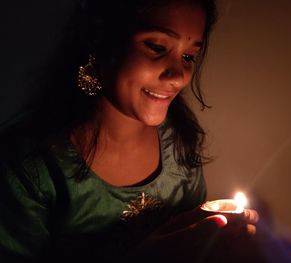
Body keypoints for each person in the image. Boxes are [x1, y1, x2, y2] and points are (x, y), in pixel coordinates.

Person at [0, 0, 259, 262]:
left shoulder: (178, 144)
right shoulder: (29, 168)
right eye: (157, 47)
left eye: (188, 56)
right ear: (100, 40)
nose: (178, 76)